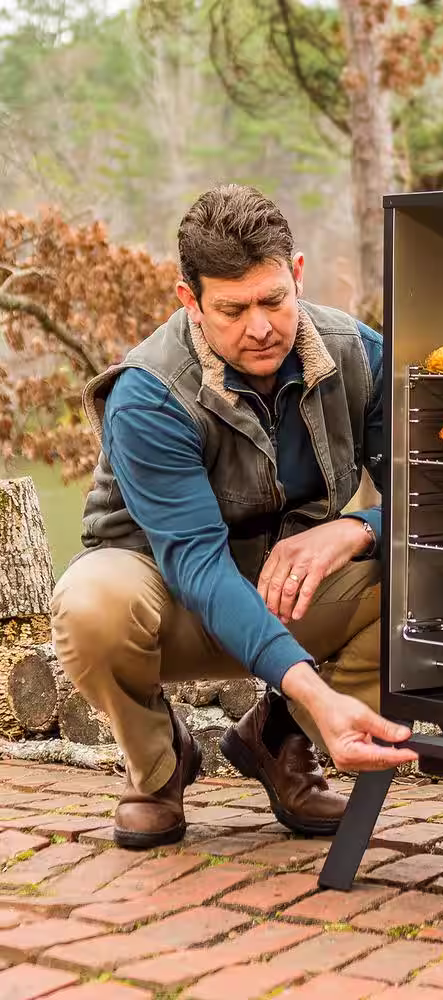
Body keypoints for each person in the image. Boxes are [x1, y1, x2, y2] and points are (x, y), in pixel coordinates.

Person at [50, 183, 417, 849]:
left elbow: (430, 505)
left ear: (296, 274)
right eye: (233, 309)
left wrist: (360, 528)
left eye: (274, 300)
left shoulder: (360, 355)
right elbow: (198, 566)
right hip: (173, 603)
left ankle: (278, 737)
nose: (260, 327)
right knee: (89, 605)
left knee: (416, 578)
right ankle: (159, 766)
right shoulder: (148, 393)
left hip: (289, 594)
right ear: (189, 300)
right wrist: (321, 693)